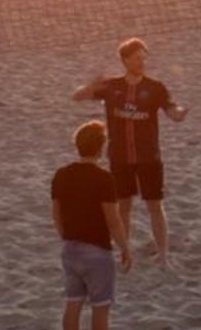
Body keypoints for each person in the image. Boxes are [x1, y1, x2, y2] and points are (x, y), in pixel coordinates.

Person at [74, 38, 188, 264]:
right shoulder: (111, 86)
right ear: (125, 60)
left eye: (144, 57)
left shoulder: (155, 87)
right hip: (120, 156)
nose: (142, 62)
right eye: (137, 58)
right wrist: (90, 86)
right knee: (123, 207)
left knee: (155, 205)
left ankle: (163, 255)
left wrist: (179, 112)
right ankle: (125, 253)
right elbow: (77, 96)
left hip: (149, 157)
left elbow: (170, 108)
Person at [50, 120, 131, 330]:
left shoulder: (61, 175)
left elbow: (56, 213)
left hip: (70, 247)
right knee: (100, 308)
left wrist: (66, 237)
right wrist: (125, 246)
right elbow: (112, 219)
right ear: (101, 148)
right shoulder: (104, 178)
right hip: (97, 250)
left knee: (73, 303)